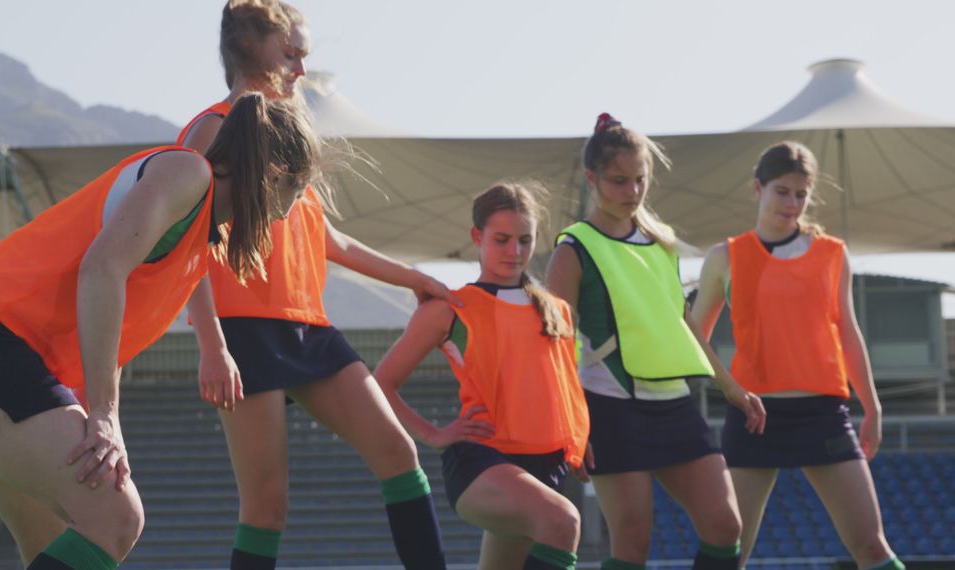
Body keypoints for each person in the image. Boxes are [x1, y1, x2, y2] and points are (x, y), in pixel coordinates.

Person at [0, 93, 323, 570]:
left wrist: (104, 418)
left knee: (58, 542)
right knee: (117, 518)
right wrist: (104, 415)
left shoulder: (200, 237)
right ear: (273, 174)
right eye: (298, 190)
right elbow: (100, 269)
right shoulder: (189, 174)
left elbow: (112, 327)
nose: (290, 212)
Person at [179, 2, 451, 568]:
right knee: (266, 509)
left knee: (400, 456)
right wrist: (211, 344)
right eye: (292, 53)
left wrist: (416, 279)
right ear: (251, 48)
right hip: (242, 333)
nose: (301, 69)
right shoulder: (212, 128)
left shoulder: (288, 130)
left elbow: (328, 240)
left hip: (312, 329)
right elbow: (186, 243)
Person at [545, 113, 767, 570]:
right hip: (610, 408)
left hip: (675, 405)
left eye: (640, 180)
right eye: (618, 181)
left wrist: (730, 386)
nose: (632, 192)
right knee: (632, 544)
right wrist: (573, 426)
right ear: (591, 179)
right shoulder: (572, 250)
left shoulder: (661, 243)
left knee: (726, 527)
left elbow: (682, 320)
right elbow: (556, 349)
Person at [691, 141, 903, 570]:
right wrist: (729, 389)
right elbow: (694, 339)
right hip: (754, 418)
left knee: (872, 547)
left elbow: (847, 330)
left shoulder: (833, 254)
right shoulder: (724, 258)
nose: (792, 203)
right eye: (782, 191)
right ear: (758, 188)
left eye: (801, 194)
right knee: (729, 551)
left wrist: (873, 406)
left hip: (824, 415)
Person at [375, 182, 592, 570]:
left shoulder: (557, 309)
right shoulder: (451, 308)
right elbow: (380, 384)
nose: (515, 251)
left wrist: (580, 436)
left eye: (525, 240)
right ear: (478, 237)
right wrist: (434, 434)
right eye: (502, 239)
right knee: (563, 521)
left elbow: (565, 384)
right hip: (483, 461)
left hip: (548, 465)